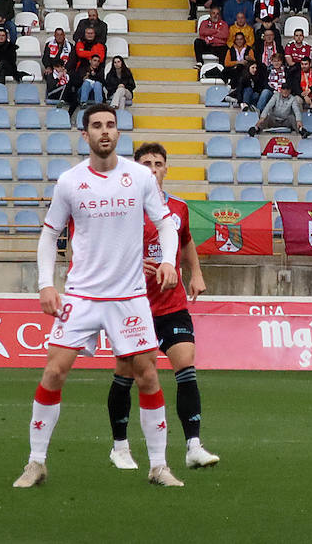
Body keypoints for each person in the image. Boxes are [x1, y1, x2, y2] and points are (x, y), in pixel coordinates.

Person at [13, 104, 184, 489]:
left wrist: (170, 261)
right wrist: (45, 283)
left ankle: (158, 465)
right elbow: (49, 234)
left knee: (148, 377)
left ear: (118, 134)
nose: (104, 131)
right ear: (84, 134)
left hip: (130, 297)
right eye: (96, 126)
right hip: (82, 295)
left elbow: (165, 223)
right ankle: (36, 462)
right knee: (54, 371)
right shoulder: (70, 182)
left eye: (110, 125)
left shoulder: (139, 177)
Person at [106, 143, 219, 472]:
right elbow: (105, 249)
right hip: (132, 303)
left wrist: (196, 273)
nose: (153, 168)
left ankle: (193, 446)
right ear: (136, 169)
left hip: (172, 303)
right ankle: (120, 446)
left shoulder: (179, 208)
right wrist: (133, 265)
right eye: (146, 163)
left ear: (166, 169)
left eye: (158, 163)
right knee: (127, 374)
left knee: (185, 365)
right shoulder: (122, 207)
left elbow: (185, 242)